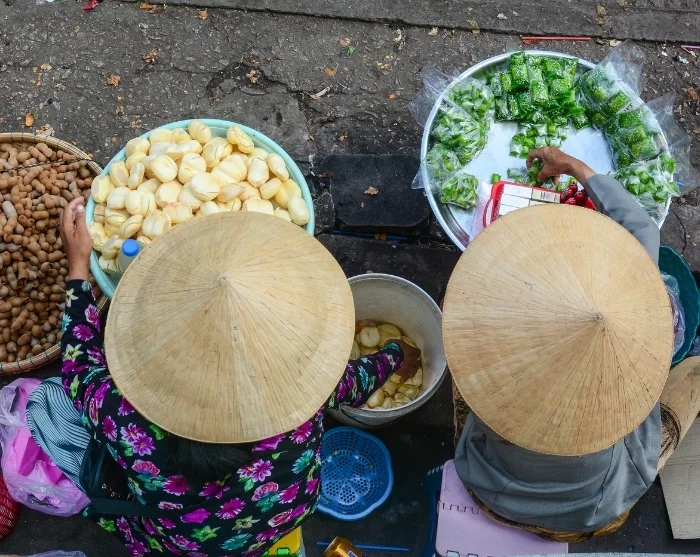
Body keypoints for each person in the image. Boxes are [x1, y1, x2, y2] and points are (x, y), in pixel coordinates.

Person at [26, 198, 421, 557]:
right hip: (288, 512)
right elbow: (359, 378)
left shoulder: (124, 419)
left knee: (46, 401)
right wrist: (395, 355)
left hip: (185, 545)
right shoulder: (306, 395)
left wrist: (78, 270)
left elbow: (78, 366)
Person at [446, 147, 700, 542]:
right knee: (693, 373)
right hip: (594, 505)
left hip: (490, 484)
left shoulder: (498, 358)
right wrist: (575, 167)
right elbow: (641, 227)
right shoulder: (635, 353)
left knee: (462, 362)